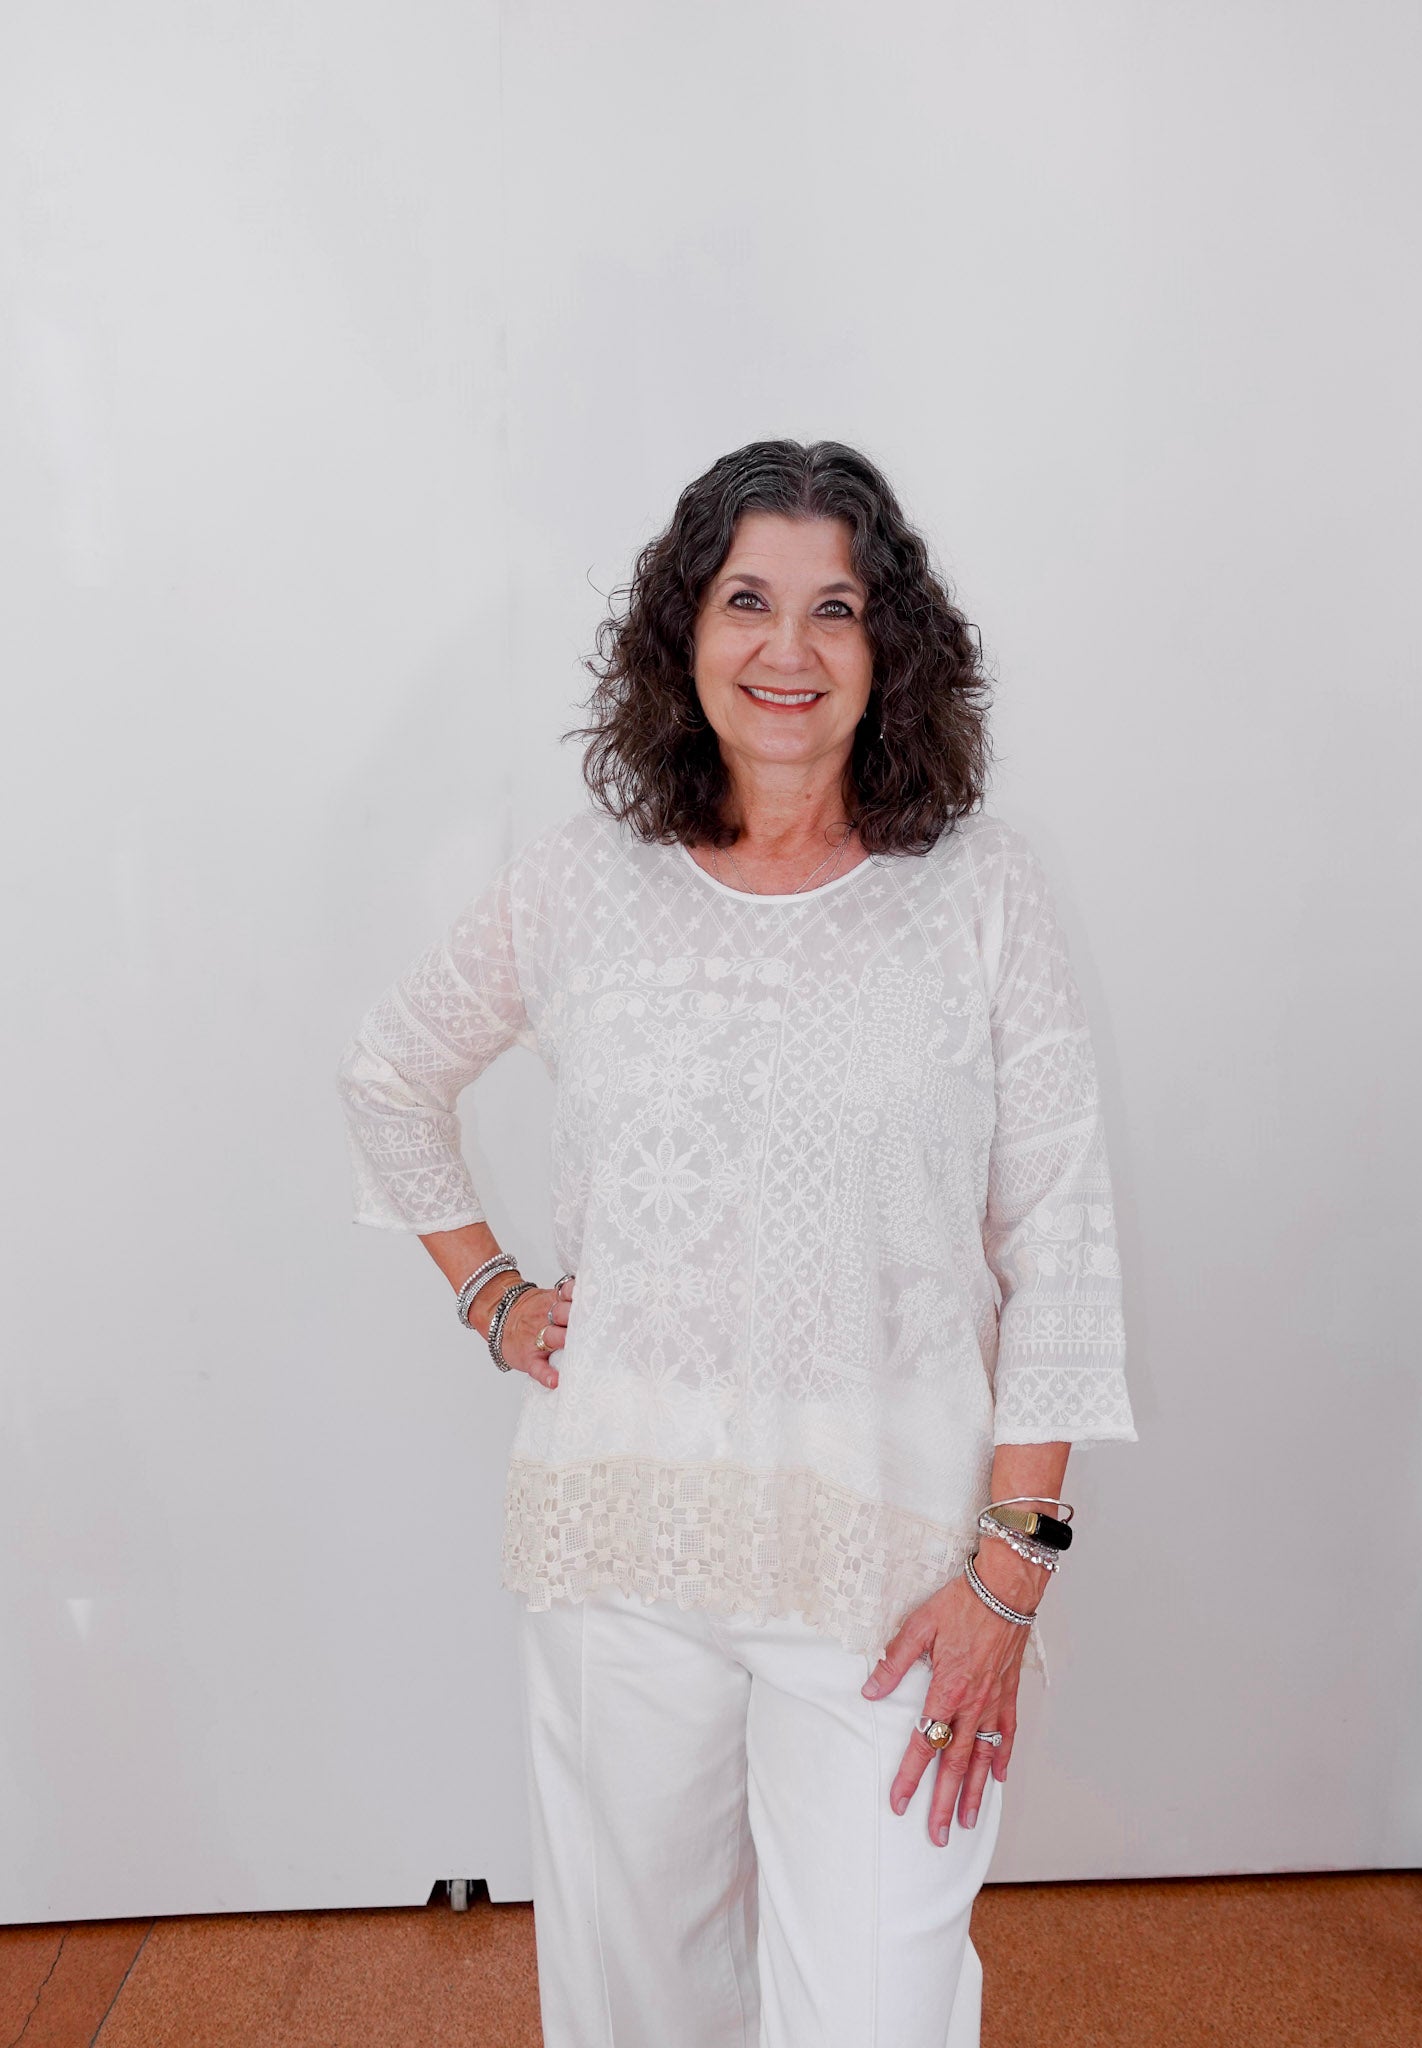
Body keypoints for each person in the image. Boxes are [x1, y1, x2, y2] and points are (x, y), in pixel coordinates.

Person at [335, 438, 1135, 2047]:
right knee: (639, 2010)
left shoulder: (979, 893)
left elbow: (1063, 1236)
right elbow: (390, 1077)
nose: (787, 648)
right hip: (619, 1554)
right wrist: (496, 1299)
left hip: (898, 1570)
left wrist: (1012, 1570)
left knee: (879, 2015)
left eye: (834, 609)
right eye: (746, 600)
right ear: (682, 637)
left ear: (887, 650)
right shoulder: (583, 888)